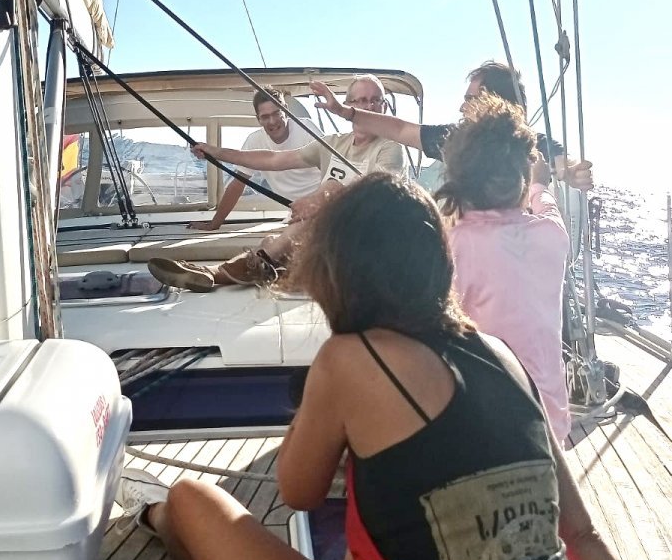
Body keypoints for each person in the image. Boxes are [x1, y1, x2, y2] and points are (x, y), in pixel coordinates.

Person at [118, 174, 672, 560]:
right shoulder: (500, 354)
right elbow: (582, 535)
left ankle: (156, 519)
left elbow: (296, 492)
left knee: (194, 498)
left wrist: (330, 414)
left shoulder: (351, 358)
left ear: (336, 270)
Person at [148, 75, 405, 290]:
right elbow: (273, 159)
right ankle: (269, 268)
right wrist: (217, 152)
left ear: (384, 106)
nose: (368, 106)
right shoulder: (335, 143)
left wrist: (320, 199)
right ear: (348, 104)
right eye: (360, 100)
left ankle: (218, 273)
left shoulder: (390, 148)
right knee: (271, 242)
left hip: (365, 240)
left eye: (375, 100)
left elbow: (374, 193)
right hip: (329, 238)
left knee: (323, 203)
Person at [437, 93, 572, 442]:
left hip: (490, 430)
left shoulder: (457, 244)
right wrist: (540, 182)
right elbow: (545, 203)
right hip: (551, 424)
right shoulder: (552, 234)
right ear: (521, 177)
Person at [311, 60, 594, 190]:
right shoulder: (457, 138)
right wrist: (344, 111)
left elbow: (560, 160)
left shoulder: (529, 143)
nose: (461, 108)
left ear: (495, 104)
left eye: (470, 100)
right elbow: (399, 129)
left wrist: (571, 170)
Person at [187, 87, 320, 232]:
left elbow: (333, 171)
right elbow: (237, 184)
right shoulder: (254, 141)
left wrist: (319, 205)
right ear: (258, 119)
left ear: (286, 110)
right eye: (265, 116)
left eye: (277, 113)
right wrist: (214, 224)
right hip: (297, 213)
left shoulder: (307, 129)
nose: (272, 121)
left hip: (324, 204)